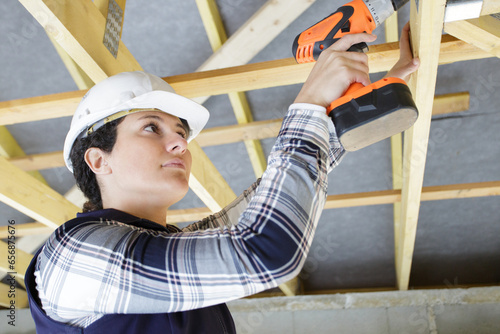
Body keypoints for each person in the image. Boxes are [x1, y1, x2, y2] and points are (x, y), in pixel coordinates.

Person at [25, 25, 418, 333]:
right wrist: (309, 101)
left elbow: (274, 197)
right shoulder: (73, 254)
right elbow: (266, 247)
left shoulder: (168, 247)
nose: (179, 142)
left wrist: (367, 102)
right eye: (151, 128)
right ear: (98, 159)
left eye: (180, 132)